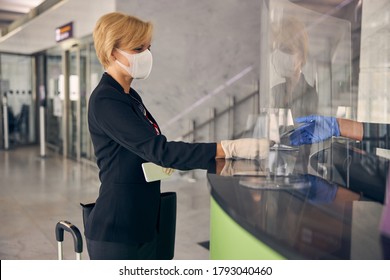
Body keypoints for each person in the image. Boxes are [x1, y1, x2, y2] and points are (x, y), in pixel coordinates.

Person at [85, 12, 269, 260]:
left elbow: (146, 152)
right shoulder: (106, 99)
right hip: (118, 228)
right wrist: (227, 149)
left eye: (148, 48)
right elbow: (159, 150)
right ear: (112, 51)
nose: (146, 55)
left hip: (143, 220)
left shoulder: (130, 96)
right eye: (138, 48)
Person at [270, 17, 318, 118]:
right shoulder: (274, 91)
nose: (280, 54)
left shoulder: (310, 95)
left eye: (287, 49)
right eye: (278, 48)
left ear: (301, 55)